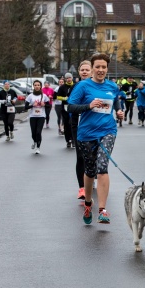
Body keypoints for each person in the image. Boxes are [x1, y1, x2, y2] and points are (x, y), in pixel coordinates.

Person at [67, 53, 124, 224]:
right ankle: (88, 202)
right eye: (97, 67)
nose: (100, 70)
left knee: (102, 167)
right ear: (92, 68)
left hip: (107, 131)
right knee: (90, 170)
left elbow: (116, 101)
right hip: (86, 134)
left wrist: (119, 112)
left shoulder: (112, 86)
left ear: (107, 69)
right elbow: (70, 107)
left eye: (103, 67)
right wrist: (88, 106)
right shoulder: (82, 86)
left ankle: (103, 209)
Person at [71, 61, 92, 200]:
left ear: (91, 71)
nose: (84, 72)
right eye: (82, 69)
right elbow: (71, 106)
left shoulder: (95, 87)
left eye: (87, 69)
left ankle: (91, 178)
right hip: (77, 124)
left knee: (91, 156)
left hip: (92, 125)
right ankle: (82, 188)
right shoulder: (75, 87)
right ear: (79, 71)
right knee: (80, 156)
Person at [25, 80, 51, 154]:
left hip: (41, 116)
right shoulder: (30, 96)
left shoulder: (44, 96)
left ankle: (38, 147)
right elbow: (25, 107)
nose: (37, 86)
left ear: (40, 86)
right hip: (32, 116)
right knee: (33, 133)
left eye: (38, 85)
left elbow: (49, 105)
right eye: (35, 85)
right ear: (33, 86)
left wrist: (44, 105)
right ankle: (35, 141)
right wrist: (32, 105)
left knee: (38, 132)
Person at [56, 73, 75, 148]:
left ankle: (73, 139)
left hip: (74, 107)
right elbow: (58, 97)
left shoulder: (75, 86)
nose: (68, 79)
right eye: (67, 78)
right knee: (66, 124)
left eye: (70, 78)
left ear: (72, 78)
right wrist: (65, 98)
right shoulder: (62, 87)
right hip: (65, 107)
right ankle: (68, 140)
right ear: (65, 79)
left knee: (73, 123)